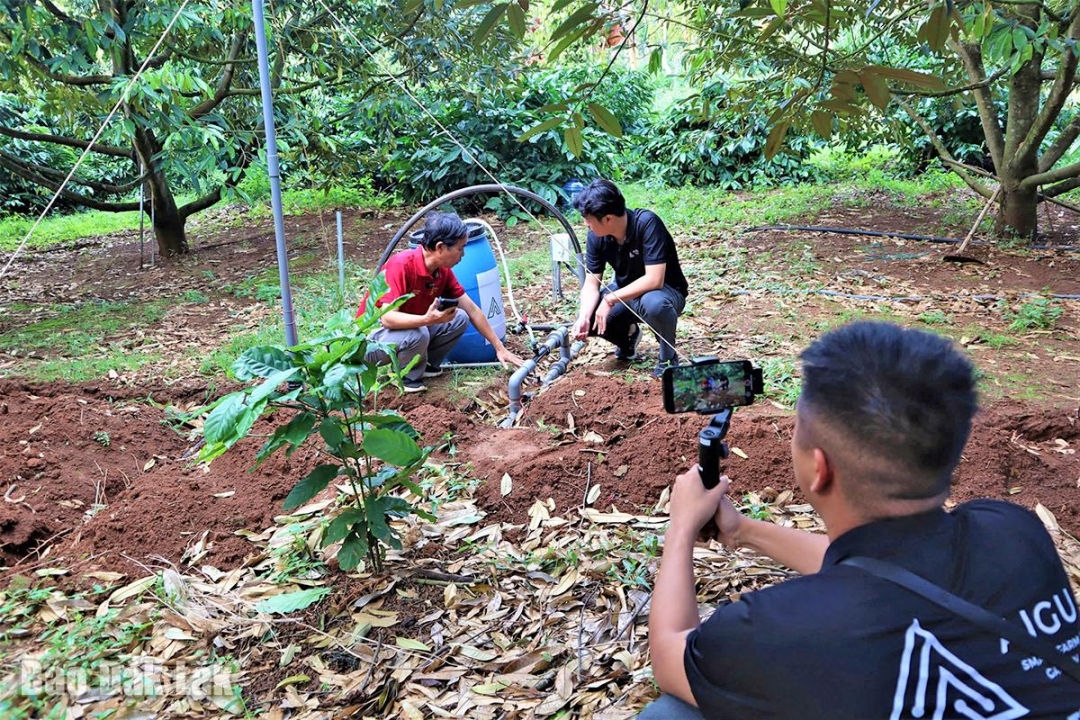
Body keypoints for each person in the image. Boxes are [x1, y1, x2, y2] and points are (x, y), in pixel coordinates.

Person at [644, 321, 1079, 719]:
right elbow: (888, 568)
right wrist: (744, 531)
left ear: (820, 469)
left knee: (670, 715)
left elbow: (670, 654)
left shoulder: (784, 628)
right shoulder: (1014, 531)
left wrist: (682, 528)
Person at [361, 212, 523, 392]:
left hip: (407, 333)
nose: (463, 254)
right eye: (460, 248)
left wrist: (499, 348)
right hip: (371, 342)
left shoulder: (441, 271)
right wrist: (427, 320)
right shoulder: (401, 265)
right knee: (419, 332)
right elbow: (388, 319)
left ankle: (426, 365)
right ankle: (405, 377)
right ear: (440, 247)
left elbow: (472, 310)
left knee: (459, 317)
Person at [570, 179, 688, 378]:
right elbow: (591, 283)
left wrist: (610, 299)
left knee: (653, 303)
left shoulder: (647, 224)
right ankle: (628, 338)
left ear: (608, 218)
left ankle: (668, 359)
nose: (585, 224)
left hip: (665, 293)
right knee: (590, 318)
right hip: (626, 293)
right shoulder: (596, 237)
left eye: (588, 219)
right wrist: (583, 317)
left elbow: (654, 280)